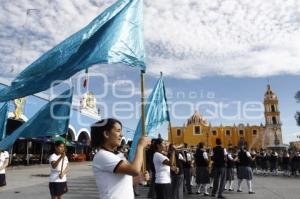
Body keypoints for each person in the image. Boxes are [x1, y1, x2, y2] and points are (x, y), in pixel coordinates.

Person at [91, 118, 148, 199]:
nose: (121, 135)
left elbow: (126, 182)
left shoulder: (118, 155)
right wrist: (140, 146)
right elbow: (135, 170)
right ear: (106, 134)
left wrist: (141, 178)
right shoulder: (103, 155)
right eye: (118, 131)